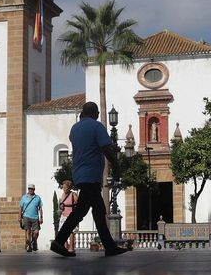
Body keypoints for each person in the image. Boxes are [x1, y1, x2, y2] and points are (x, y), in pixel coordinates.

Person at [52, 102, 130, 257]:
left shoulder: (75, 128)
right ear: (95, 113)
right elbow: (106, 148)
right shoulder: (96, 126)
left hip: (80, 174)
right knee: (90, 212)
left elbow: (75, 139)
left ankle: (108, 246)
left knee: (92, 211)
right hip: (91, 175)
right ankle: (60, 241)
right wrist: (116, 166)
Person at [19, 185, 44, 252]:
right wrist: (19, 217)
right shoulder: (24, 197)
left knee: (36, 232)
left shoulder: (37, 198)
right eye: (29, 189)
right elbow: (20, 208)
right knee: (28, 231)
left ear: (34, 189)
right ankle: (29, 245)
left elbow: (40, 208)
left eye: (32, 189)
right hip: (26, 216)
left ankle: (34, 241)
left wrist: (41, 217)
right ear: (28, 189)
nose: (30, 190)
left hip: (35, 217)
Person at [57, 180, 78, 253]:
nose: (64, 189)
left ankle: (71, 247)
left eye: (65, 187)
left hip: (71, 216)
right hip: (63, 215)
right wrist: (61, 207)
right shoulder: (62, 195)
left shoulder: (73, 194)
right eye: (63, 187)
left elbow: (78, 204)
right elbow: (61, 204)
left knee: (71, 232)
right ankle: (65, 246)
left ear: (69, 188)